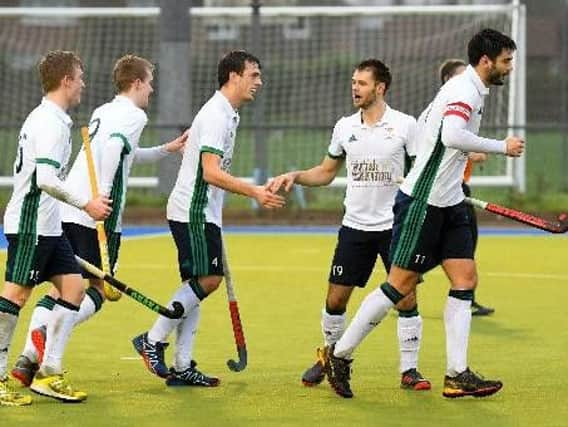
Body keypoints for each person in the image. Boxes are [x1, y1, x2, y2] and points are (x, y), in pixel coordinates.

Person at [324, 28, 524, 399]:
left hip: (450, 202)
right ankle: (342, 353)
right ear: (486, 61)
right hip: (423, 203)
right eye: (506, 61)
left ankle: (457, 373)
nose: (510, 68)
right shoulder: (463, 90)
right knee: (399, 285)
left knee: (465, 279)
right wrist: (502, 146)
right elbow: (451, 136)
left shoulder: (473, 88)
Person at [10, 55, 187, 389]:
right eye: (149, 83)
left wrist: (167, 149)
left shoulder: (103, 111)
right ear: (136, 83)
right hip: (95, 215)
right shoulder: (136, 115)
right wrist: (100, 199)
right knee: (96, 292)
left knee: (64, 287)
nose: (151, 90)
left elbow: (124, 151)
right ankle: (42, 347)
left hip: (68, 211)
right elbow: (111, 150)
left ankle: (26, 360)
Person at [268, 58, 431, 393]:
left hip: (395, 228)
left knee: (406, 298)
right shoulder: (345, 127)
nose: (354, 88)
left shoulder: (405, 125)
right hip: (355, 227)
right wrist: (296, 176)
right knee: (336, 299)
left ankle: (410, 370)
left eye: (362, 83)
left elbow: (421, 173)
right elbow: (326, 173)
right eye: (354, 82)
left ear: (380, 87)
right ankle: (330, 356)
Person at [131, 50, 285, 387]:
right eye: (253, 75)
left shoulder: (228, 114)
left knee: (195, 287)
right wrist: (255, 192)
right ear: (233, 76)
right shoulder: (217, 114)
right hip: (192, 211)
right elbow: (211, 173)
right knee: (210, 280)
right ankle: (153, 340)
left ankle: (182, 364)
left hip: (203, 212)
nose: (258, 82)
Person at [0, 50, 112, 405]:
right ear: (66, 81)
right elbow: (46, 179)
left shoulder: (55, 119)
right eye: (80, 77)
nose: (83, 84)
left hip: (49, 227)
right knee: (15, 296)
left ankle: (49, 372)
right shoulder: (47, 122)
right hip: (31, 223)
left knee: (75, 289)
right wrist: (86, 205)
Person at [437, 59, 495, 317]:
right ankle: (400, 287)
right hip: (446, 191)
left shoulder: (468, 106)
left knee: (463, 245)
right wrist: (474, 151)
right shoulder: (446, 110)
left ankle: (466, 296)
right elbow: (446, 141)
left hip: (459, 189)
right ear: (449, 80)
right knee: (459, 246)